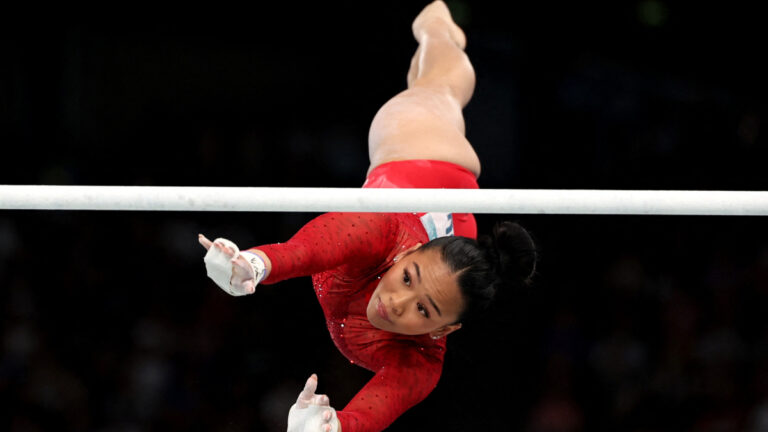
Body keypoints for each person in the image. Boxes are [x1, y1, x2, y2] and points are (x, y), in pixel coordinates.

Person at [198, 2, 537, 431]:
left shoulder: (421, 362)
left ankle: (433, 53)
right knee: (443, 90)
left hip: (452, 222)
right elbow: (306, 251)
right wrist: (255, 264)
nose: (396, 303)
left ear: (446, 330)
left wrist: (333, 428)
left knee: (430, 84)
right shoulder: (377, 231)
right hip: (417, 149)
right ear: (406, 253)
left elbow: (373, 411)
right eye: (408, 277)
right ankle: (435, 26)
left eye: (423, 309)